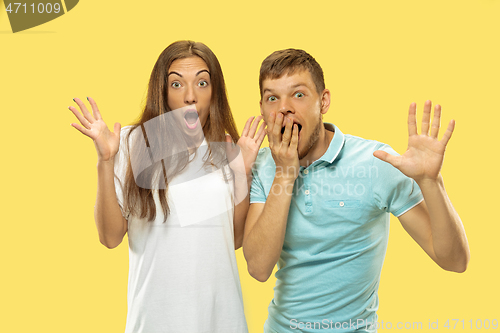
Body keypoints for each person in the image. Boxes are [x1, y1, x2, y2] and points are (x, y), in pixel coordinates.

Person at [242, 49, 470, 333]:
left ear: (323, 101)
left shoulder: (375, 162)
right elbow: (258, 268)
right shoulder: (264, 165)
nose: (284, 107)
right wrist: (285, 172)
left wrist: (430, 182)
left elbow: (455, 261)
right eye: (272, 97)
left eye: (298, 94)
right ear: (263, 108)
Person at [68, 40, 266, 333]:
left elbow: (234, 240)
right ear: (162, 91)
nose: (190, 96)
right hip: (153, 322)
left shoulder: (227, 149)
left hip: (221, 321)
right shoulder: (131, 142)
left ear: (215, 92)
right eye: (177, 84)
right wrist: (106, 161)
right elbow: (110, 238)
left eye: (202, 82)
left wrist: (242, 173)